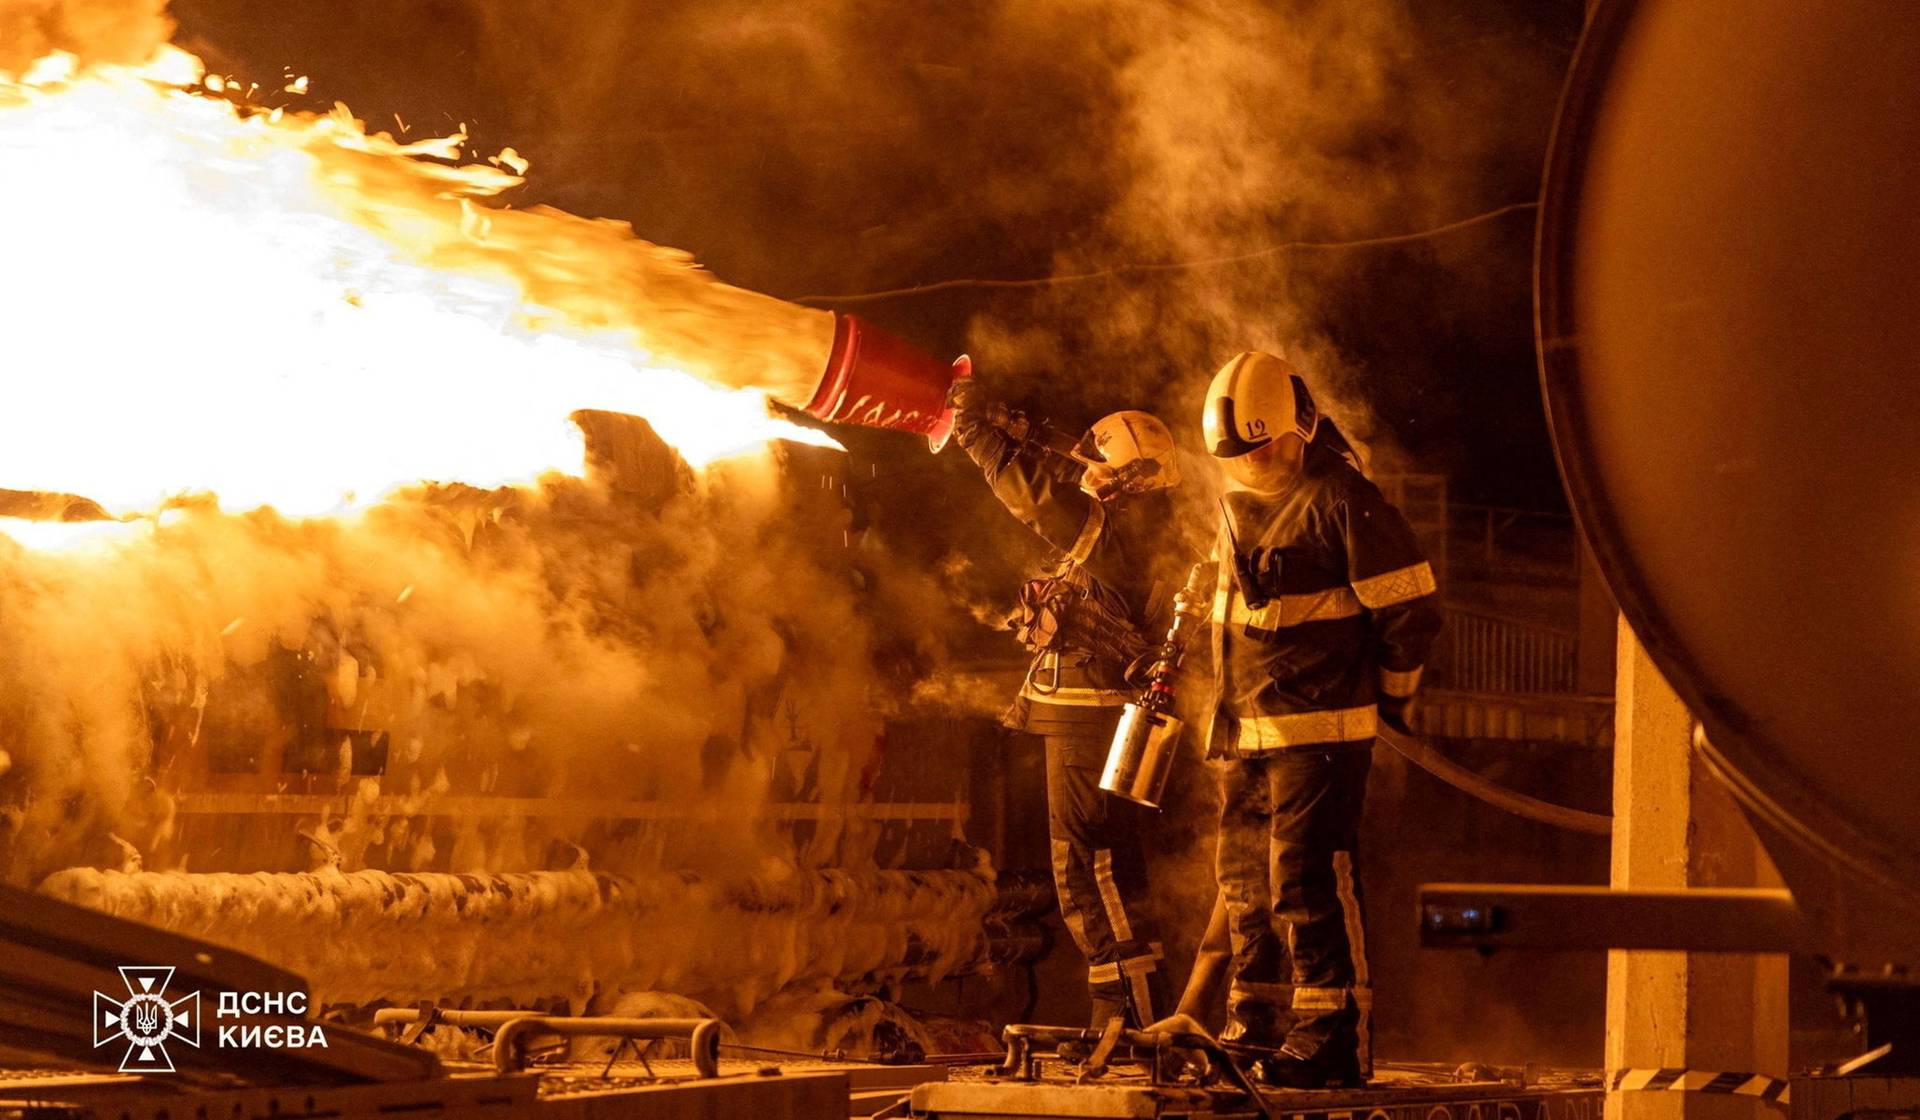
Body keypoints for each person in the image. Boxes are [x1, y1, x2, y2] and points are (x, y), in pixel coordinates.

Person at [1197, 350, 1441, 1088]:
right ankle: (1256, 1020)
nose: (1252, 464)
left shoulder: (1343, 501)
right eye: (1239, 455)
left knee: (1305, 879)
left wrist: (1393, 697)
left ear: (1298, 427)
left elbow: (1411, 611)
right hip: (1246, 731)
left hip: (1321, 734)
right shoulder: (1235, 506)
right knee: (1244, 882)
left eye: (1264, 448)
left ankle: (1332, 1037)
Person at [947, 373, 1182, 1030]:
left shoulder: (1119, 534)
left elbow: (1035, 501)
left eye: (1098, 465)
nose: (1086, 474)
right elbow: (1057, 488)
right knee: (1109, 869)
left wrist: (976, 434)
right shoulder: (1144, 529)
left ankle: (1128, 1024)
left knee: (1088, 866)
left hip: (1089, 719)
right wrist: (1022, 431)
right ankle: (1129, 1016)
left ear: (1127, 477)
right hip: (1097, 717)